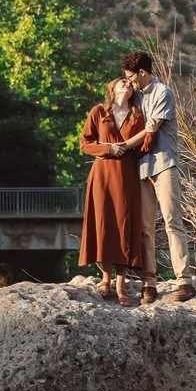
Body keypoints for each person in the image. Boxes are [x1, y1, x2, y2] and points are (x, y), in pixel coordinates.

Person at [121, 51, 191, 295]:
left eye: (130, 77)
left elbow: (150, 134)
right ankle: (148, 283)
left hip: (163, 164)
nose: (128, 81)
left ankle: (183, 280)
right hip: (142, 168)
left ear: (142, 72)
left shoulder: (163, 93)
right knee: (144, 227)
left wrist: (123, 147)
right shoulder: (136, 97)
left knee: (173, 222)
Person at [78, 75, 152, 302]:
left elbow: (144, 144)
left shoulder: (137, 115)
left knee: (124, 224)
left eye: (130, 83)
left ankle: (120, 286)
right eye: (123, 82)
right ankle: (105, 279)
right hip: (102, 175)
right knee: (104, 223)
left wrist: (133, 146)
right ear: (113, 88)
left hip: (127, 175)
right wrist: (109, 148)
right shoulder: (99, 112)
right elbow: (85, 143)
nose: (128, 84)